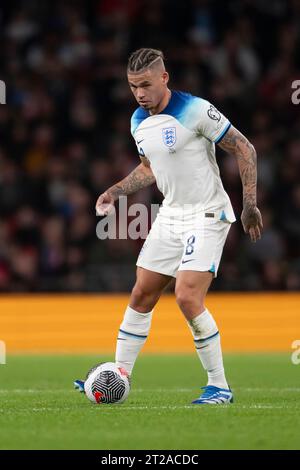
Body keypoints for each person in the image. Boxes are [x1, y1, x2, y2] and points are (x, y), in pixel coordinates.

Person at [75, 48, 263, 404]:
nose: (140, 93)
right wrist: (114, 191)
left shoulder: (195, 110)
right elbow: (149, 168)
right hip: (172, 214)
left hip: (207, 213)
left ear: (164, 78)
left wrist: (249, 203)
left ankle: (219, 387)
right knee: (142, 293)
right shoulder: (138, 121)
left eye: (145, 84)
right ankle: (117, 375)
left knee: (187, 296)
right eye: (133, 87)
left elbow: (244, 148)